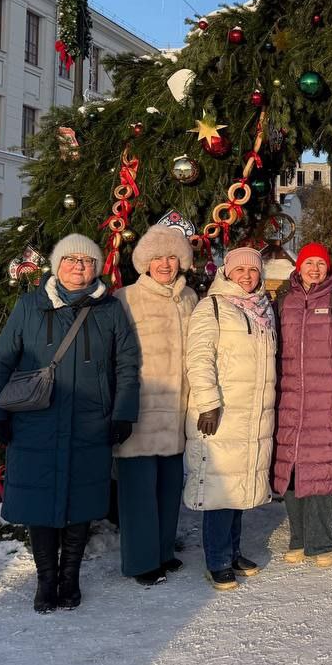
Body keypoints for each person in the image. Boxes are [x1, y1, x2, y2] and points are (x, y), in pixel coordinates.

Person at [0, 233, 140, 613]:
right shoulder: (29, 306)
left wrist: (123, 412)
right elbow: (2, 360)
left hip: (90, 422)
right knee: (39, 502)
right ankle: (45, 581)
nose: (77, 267)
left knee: (81, 503)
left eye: (86, 262)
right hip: (36, 421)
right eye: (70, 260)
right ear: (57, 265)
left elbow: (127, 366)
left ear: (96, 268)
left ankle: (70, 579)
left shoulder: (110, 309)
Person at [183, 246, 278, 591]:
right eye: (240, 271)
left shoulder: (264, 310)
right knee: (220, 488)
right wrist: (208, 402)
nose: (247, 277)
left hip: (252, 412)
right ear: (227, 273)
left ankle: (233, 551)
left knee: (239, 486)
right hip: (222, 412)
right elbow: (198, 357)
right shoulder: (213, 307)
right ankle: (217, 559)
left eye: (253, 272)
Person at [113, 225, 198, 586]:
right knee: (137, 493)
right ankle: (141, 561)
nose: (165, 264)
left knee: (167, 488)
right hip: (141, 411)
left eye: (172, 257)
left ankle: (164, 551)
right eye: (158, 257)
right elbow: (115, 356)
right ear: (145, 262)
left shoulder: (190, 297)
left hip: (177, 411)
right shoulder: (125, 298)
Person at [273, 242, 332, 568]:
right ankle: (299, 538)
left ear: (329, 268)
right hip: (290, 402)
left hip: (327, 402)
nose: (314, 268)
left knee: (324, 473)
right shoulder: (285, 302)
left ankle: (322, 542)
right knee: (293, 473)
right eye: (308, 263)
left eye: (320, 264)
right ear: (298, 267)